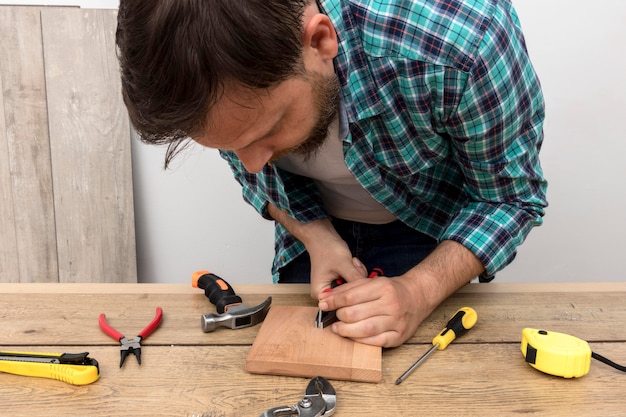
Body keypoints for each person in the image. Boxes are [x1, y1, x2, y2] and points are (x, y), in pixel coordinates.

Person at [116, 0, 548, 348]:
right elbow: (251, 167)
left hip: (434, 232)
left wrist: (418, 291)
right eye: (230, 145)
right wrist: (314, 235)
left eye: (268, 131)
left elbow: (509, 199)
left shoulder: (461, 40)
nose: (251, 164)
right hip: (312, 228)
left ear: (320, 40)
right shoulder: (209, 69)